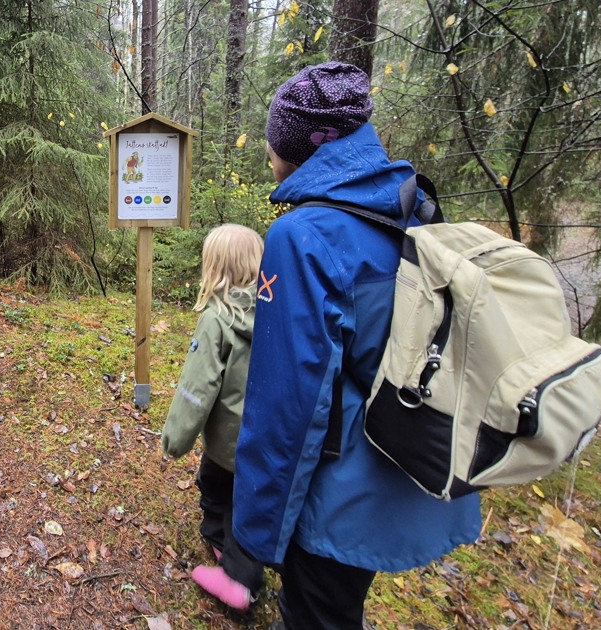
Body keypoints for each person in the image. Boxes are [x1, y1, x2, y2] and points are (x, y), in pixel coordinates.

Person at [231, 62, 482, 628]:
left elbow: (287, 402)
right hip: (413, 463)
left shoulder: (302, 235)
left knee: (316, 614)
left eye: (274, 139)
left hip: (338, 496)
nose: (268, 151)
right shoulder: (409, 202)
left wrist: (251, 534)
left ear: (300, 145)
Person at [159, 224, 264, 609]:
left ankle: (240, 581)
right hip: (266, 433)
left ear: (214, 267)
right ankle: (220, 542)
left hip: (229, 439)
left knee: (231, 497)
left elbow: (196, 388)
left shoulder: (218, 319)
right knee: (228, 488)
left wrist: (176, 438)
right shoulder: (276, 312)